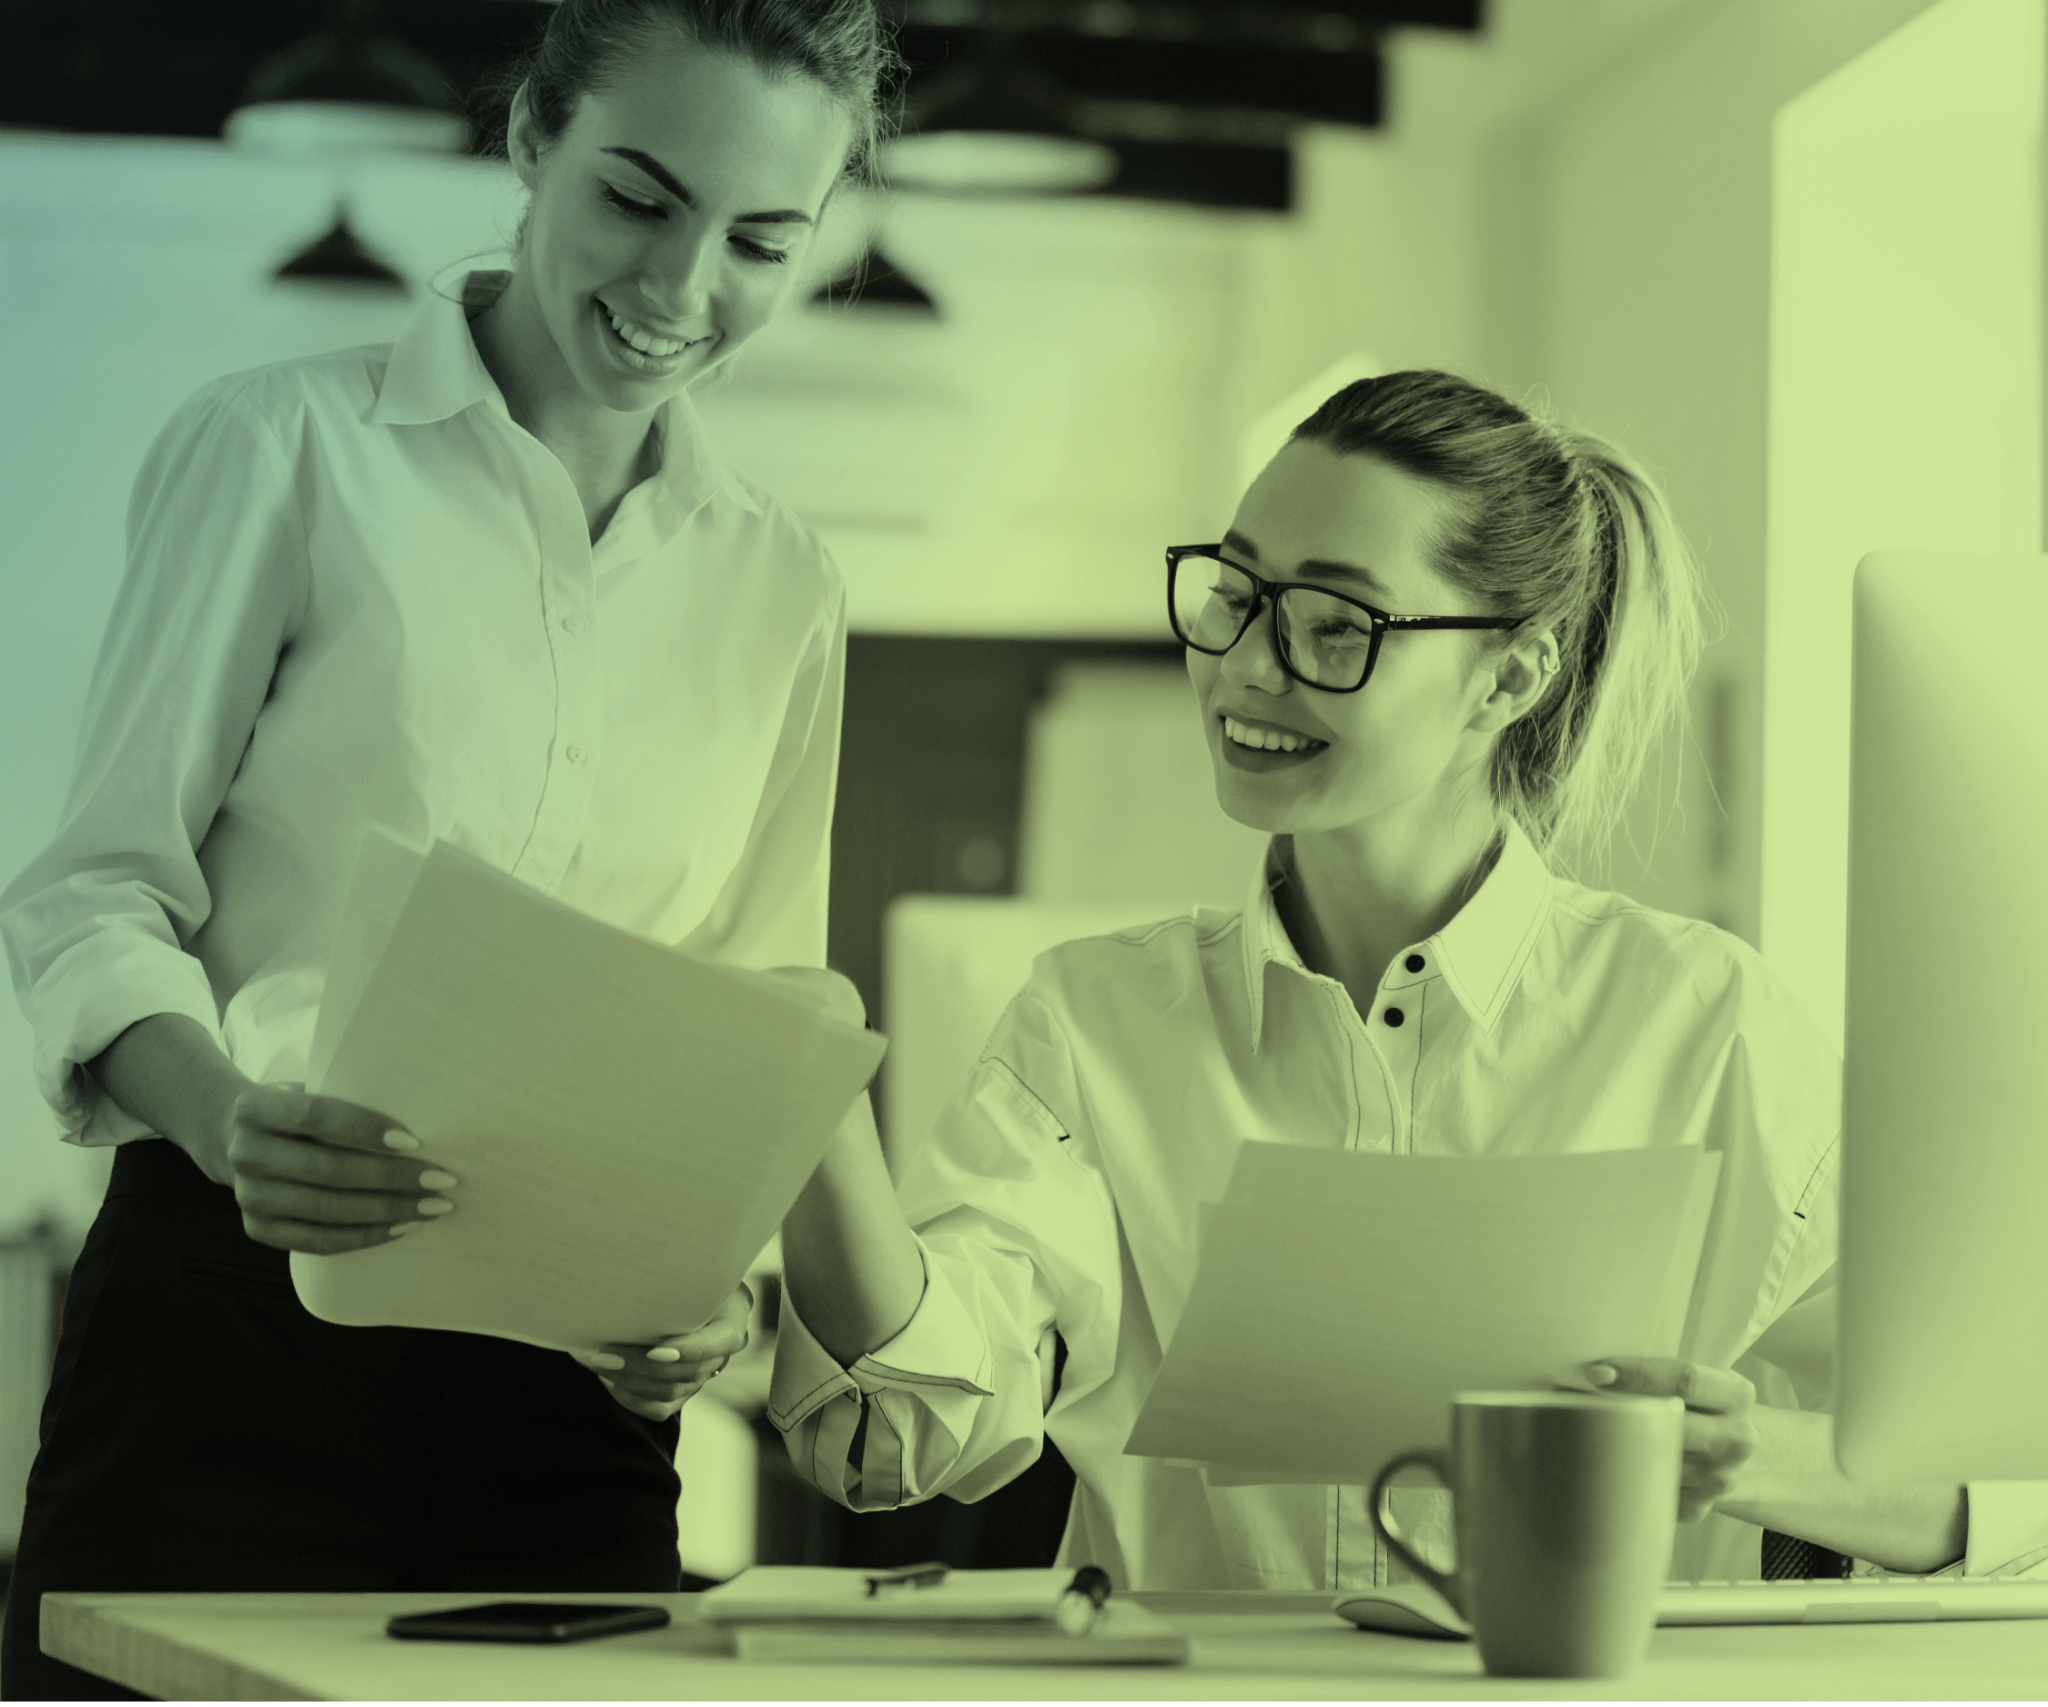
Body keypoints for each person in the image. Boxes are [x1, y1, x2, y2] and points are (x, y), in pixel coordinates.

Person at [767, 369, 2040, 1592]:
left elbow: (2005, 1495)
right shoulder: (1092, 1022)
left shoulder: (1709, 1028)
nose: (1249, 667)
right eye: (1235, 594)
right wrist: (811, 1104)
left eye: (1337, 626)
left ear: (1509, 675)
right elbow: (891, 1439)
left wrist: (1750, 1457)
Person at [0, 1, 894, 1697]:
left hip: (576, 1383)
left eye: (762, 239)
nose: (682, 287)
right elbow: (98, 886)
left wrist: (720, 1292)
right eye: (636, 196)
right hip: (233, 1319)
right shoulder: (282, 450)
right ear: (530, 141)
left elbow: (761, 997)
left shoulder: (782, 585)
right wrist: (225, 1115)